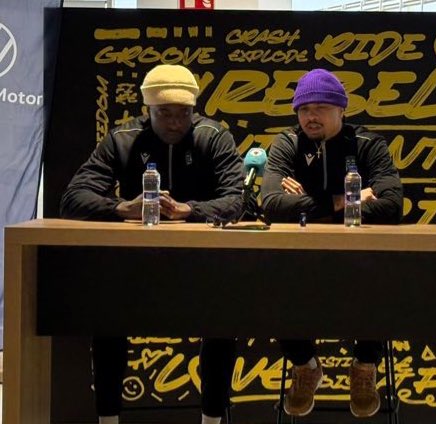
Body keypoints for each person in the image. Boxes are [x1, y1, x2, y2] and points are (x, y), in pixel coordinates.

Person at [60, 64, 244, 424]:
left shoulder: (214, 136)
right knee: (106, 317)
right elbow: (73, 197)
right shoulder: (123, 138)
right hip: (136, 264)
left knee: (223, 318)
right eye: (165, 114)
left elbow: (238, 200)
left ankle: (212, 420)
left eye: (183, 113)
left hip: (205, 264)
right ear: (148, 110)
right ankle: (108, 420)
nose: (175, 123)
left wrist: (190, 211)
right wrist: (119, 208)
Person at [261, 68, 403, 418]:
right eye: (304, 110)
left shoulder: (368, 144)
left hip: (360, 260)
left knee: (384, 278)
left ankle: (365, 366)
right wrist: (346, 201)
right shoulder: (287, 143)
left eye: (320, 108)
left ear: (342, 110)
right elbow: (273, 206)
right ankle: (306, 366)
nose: (310, 116)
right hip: (300, 260)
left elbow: (392, 206)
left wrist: (306, 206)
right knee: (268, 281)